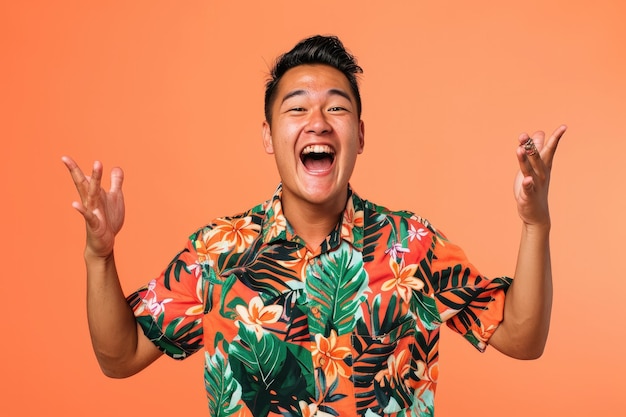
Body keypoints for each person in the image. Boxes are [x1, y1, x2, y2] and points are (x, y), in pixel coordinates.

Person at [62, 35, 566, 417]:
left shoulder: (411, 247)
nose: (318, 120)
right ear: (269, 135)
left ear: (360, 135)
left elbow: (522, 338)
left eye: (337, 107)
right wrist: (99, 255)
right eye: (297, 107)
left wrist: (535, 223)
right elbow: (120, 355)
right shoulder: (216, 252)